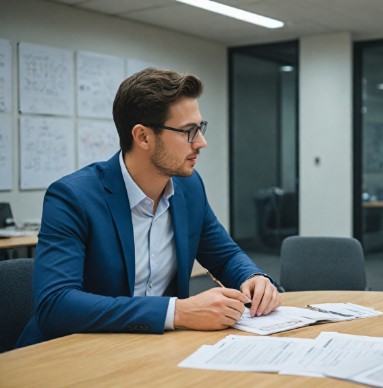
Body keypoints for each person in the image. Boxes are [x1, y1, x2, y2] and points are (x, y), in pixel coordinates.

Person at [16, 68, 281, 348]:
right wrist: (177, 312)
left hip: (152, 350)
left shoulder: (188, 188)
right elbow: (55, 305)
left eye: (200, 128)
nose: (201, 143)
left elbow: (225, 256)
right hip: (72, 354)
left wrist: (253, 278)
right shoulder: (73, 197)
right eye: (188, 132)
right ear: (143, 137)